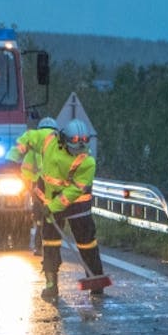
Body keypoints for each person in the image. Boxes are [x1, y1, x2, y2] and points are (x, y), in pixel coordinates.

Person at [34, 118, 103, 301]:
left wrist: (53, 207)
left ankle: (96, 281)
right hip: (47, 201)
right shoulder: (49, 141)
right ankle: (51, 284)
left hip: (76, 204)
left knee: (87, 243)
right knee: (50, 243)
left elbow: (73, 191)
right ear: (64, 140)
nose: (78, 152)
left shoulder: (87, 162)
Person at [8, 116, 61, 247]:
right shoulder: (61, 139)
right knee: (52, 215)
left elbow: (19, 154)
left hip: (35, 185)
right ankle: (49, 246)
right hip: (55, 186)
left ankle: (39, 242)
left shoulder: (34, 136)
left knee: (39, 214)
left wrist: (10, 164)